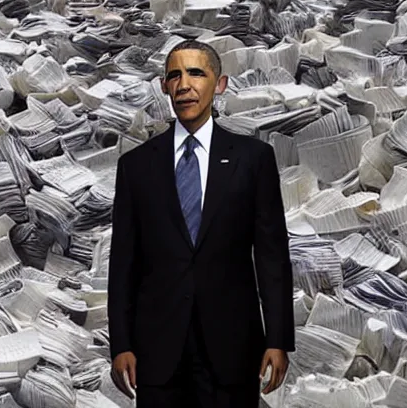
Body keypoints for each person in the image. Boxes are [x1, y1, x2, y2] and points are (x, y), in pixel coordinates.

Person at [108, 39, 296, 408]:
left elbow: (272, 256)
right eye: (174, 75)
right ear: (164, 87)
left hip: (232, 348)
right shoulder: (136, 166)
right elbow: (123, 264)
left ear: (220, 84)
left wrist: (278, 338)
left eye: (197, 73)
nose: (184, 85)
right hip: (158, 351)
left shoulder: (253, 159)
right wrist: (122, 344)